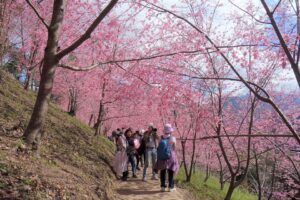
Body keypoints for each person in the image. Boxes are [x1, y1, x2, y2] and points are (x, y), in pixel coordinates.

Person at [155, 123, 179, 192]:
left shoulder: (160, 138)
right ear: (170, 131)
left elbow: (158, 146)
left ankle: (163, 186)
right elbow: (174, 148)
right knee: (170, 171)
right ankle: (170, 187)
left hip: (162, 157)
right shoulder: (173, 138)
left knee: (163, 171)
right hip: (170, 156)